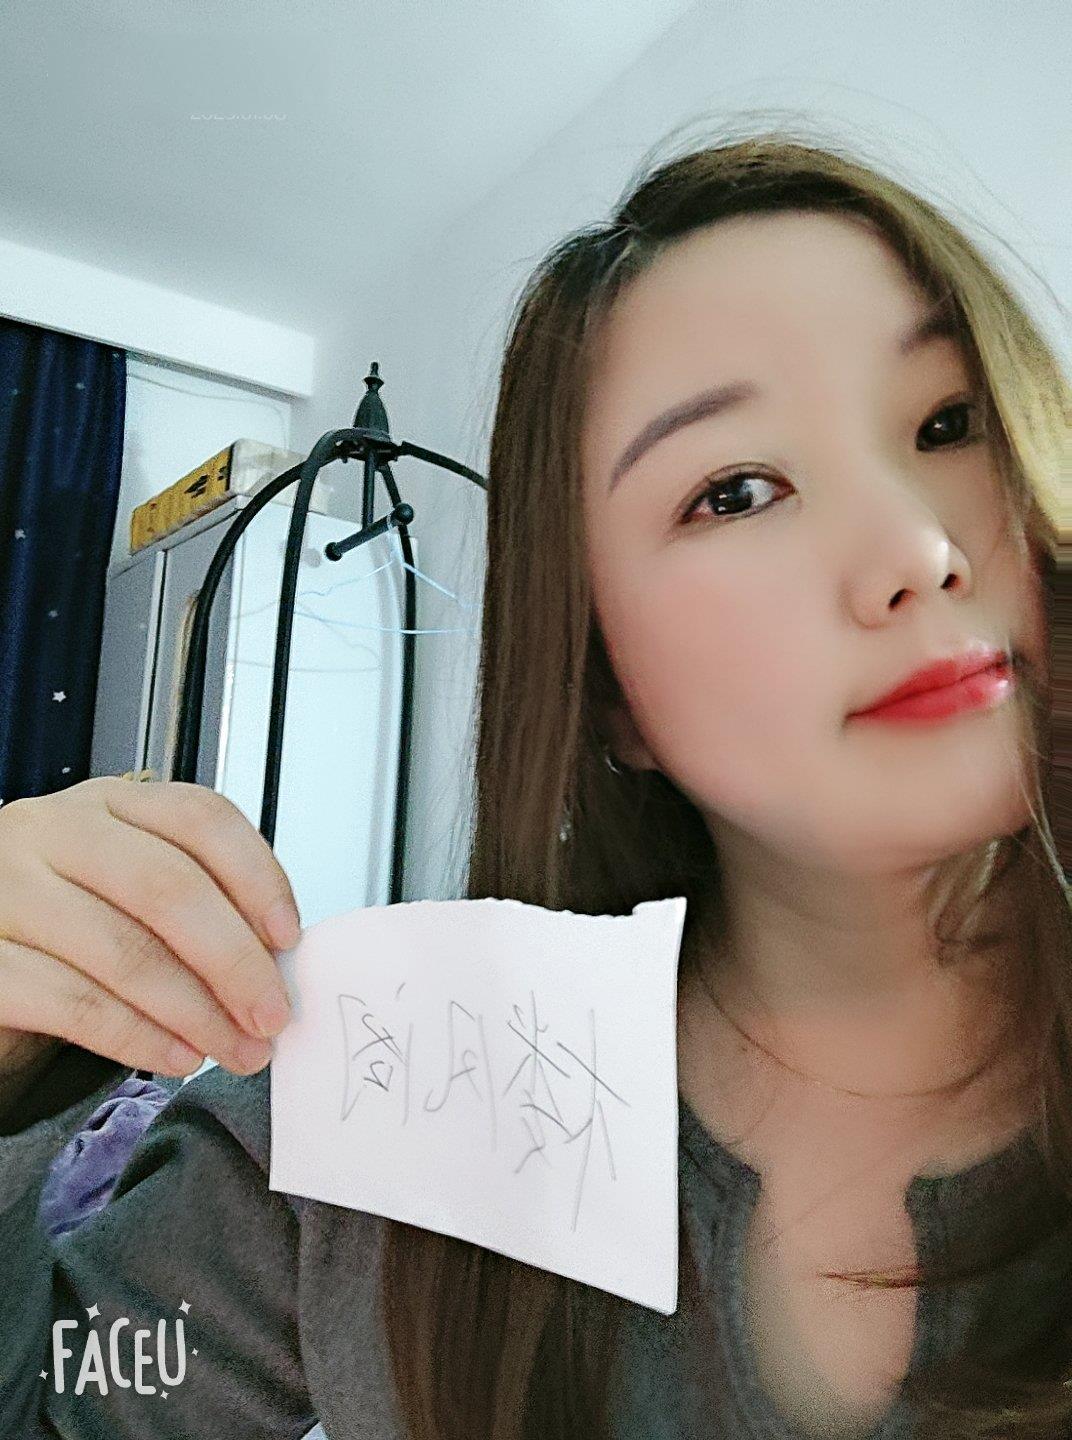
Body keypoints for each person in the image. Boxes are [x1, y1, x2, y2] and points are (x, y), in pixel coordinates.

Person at [1, 127, 1069, 1440]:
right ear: (604, 682)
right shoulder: (369, 1097)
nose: (916, 550)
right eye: (737, 491)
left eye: (949, 424)